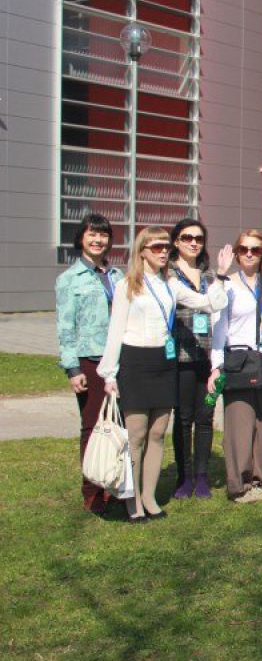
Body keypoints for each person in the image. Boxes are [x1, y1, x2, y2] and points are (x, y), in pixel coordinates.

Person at [99, 227, 231, 521]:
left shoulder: (170, 283)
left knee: (157, 433)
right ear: (142, 251)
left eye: (165, 247)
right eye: (156, 247)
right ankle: (131, 499)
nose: (163, 252)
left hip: (164, 362)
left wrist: (221, 275)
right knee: (136, 435)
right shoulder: (126, 285)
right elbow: (115, 331)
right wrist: (109, 374)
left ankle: (149, 497)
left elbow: (209, 303)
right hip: (135, 361)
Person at [209, 229, 262, 504]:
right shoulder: (227, 284)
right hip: (239, 362)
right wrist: (217, 365)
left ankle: (261, 480)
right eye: (244, 249)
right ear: (236, 253)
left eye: (255, 250)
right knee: (239, 424)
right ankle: (239, 484)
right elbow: (218, 327)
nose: (249, 254)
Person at [56, 214, 123, 513]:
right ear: (81, 238)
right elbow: (65, 327)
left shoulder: (118, 276)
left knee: (119, 424)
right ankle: (92, 491)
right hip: (90, 360)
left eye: (103, 235)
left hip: (120, 360)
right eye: (92, 234)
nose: (98, 240)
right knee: (93, 426)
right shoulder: (69, 279)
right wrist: (72, 368)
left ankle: (116, 483)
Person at [168, 218, 219, 499]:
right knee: (183, 418)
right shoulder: (168, 274)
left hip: (209, 360)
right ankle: (184, 476)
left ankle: (202, 476)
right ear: (176, 241)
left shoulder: (209, 275)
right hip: (181, 358)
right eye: (187, 238)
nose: (193, 243)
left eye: (198, 238)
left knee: (206, 416)